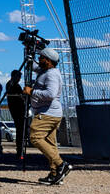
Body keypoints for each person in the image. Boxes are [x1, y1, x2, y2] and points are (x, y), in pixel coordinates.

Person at [25, 47, 71, 185]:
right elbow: (32, 66)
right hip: (50, 112)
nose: (39, 60)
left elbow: (50, 94)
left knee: (35, 136)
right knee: (51, 144)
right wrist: (28, 51)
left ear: (48, 61)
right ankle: (55, 174)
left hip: (48, 113)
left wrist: (32, 92)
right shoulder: (46, 71)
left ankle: (61, 164)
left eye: (41, 58)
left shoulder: (51, 75)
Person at [5, 69, 27, 161]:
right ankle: (19, 149)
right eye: (18, 77)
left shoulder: (16, 85)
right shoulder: (10, 84)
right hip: (16, 109)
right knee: (20, 129)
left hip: (20, 109)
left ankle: (20, 148)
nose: (19, 79)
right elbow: (15, 94)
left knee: (21, 130)